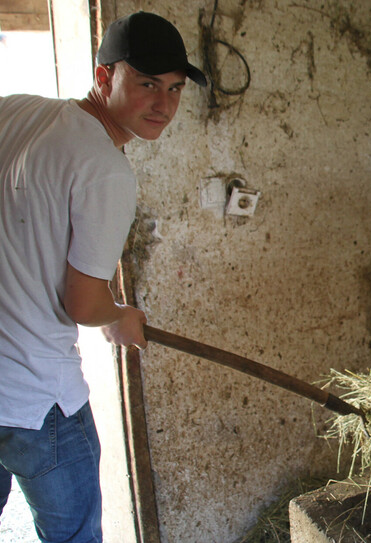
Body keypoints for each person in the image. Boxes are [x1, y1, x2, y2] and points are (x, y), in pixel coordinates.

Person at [0, 12, 206, 542]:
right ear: (103, 76)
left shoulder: (16, 112)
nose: (164, 105)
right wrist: (119, 316)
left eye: (175, 89)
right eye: (146, 84)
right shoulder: (107, 170)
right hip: (38, 399)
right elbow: (82, 303)